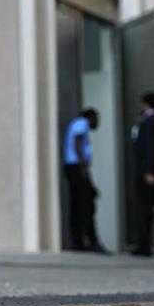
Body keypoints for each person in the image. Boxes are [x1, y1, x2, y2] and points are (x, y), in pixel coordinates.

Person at [63, 108, 110, 254]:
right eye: (96, 118)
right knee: (86, 205)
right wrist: (83, 166)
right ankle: (91, 240)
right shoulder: (81, 123)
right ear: (90, 117)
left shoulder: (78, 124)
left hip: (75, 167)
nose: (97, 122)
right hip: (76, 167)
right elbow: (77, 141)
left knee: (78, 205)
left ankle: (79, 241)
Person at [131, 92, 154, 257]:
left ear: (146, 104)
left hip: (151, 175)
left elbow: (149, 148)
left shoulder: (148, 123)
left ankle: (144, 245)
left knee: (145, 211)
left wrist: (148, 171)